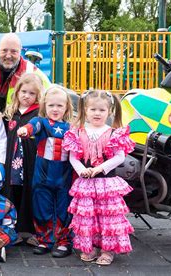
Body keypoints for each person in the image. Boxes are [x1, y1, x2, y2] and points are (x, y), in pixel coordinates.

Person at [62, 90, 135, 265]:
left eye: (101, 110)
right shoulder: (77, 132)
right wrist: (82, 171)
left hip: (106, 183)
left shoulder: (113, 133)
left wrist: (100, 168)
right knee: (89, 216)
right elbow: (73, 157)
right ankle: (91, 247)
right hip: (86, 182)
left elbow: (120, 157)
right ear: (85, 110)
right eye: (93, 109)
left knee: (107, 217)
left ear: (109, 112)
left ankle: (107, 250)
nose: (97, 113)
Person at [17, 85, 74, 258]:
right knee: (41, 207)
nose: (55, 109)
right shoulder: (40, 121)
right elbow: (31, 127)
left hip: (64, 176)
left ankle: (64, 242)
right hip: (42, 176)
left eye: (59, 106)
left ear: (66, 108)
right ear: (44, 106)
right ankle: (45, 239)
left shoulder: (71, 127)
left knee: (64, 209)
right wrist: (24, 130)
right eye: (51, 105)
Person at [1, 72, 43, 245]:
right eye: (24, 91)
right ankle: (14, 230)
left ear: (37, 96)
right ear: (17, 92)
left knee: (31, 192)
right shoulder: (10, 113)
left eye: (32, 93)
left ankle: (33, 231)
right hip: (12, 162)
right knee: (13, 193)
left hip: (31, 161)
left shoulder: (39, 115)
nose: (27, 96)